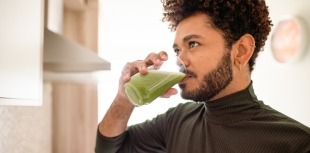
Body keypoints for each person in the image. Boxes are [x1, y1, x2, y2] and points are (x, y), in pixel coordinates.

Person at [95, 0, 310, 152]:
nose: (180, 60)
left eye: (193, 44)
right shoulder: (177, 121)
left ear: (241, 51)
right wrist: (124, 98)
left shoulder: (297, 143)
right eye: (178, 50)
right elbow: (111, 149)